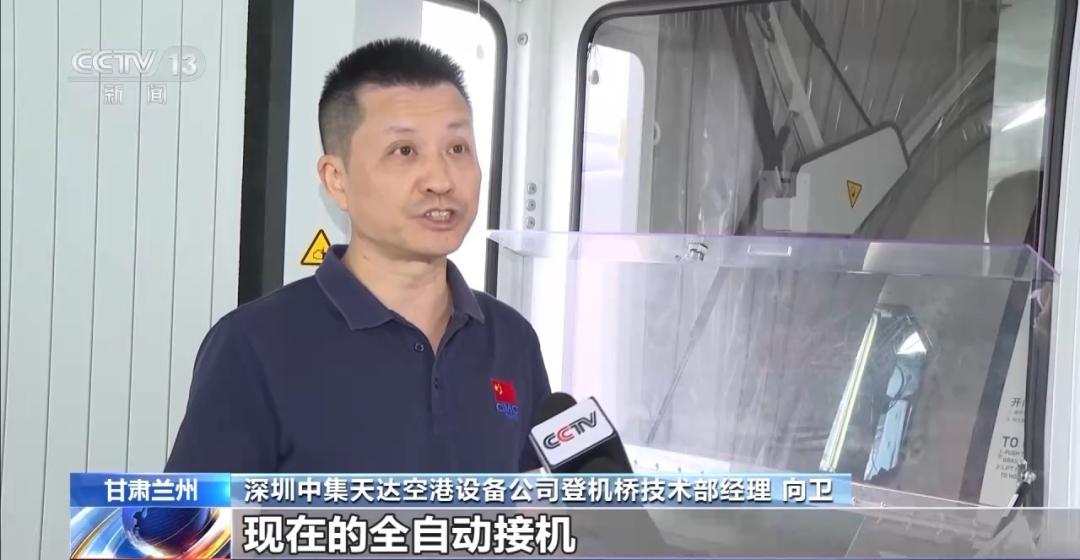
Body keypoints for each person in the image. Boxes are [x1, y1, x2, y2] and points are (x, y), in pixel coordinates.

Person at [166, 38, 551, 473]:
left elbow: (539, 506)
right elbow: (188, 519)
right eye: (404, 151)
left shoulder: (512, 340)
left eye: (457, 149)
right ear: (337, 180)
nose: (441, 180)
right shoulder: (252, 346)